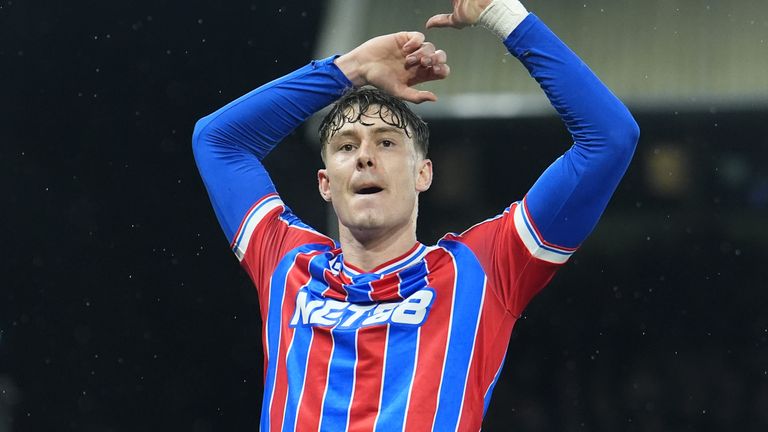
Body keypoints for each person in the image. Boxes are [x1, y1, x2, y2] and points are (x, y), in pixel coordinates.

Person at [192, 0, 639, 429]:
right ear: (325, 183)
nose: (365, 156)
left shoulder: (480, 269)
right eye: (347, 147)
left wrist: (504, 15)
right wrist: (350, 68)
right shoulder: (286, 264)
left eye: (386, 142)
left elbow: (610, 137)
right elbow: (216, 141)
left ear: (424, 173)